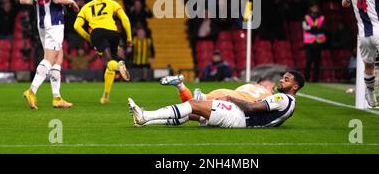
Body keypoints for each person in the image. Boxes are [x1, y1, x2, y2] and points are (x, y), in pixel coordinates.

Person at [127, 70, 304, 128]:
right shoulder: (291, 104)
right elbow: (274, 120)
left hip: (240, 117)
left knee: (193, 104)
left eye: (286, 79)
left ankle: (145, 115)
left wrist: (230, 98)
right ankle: (145, 121)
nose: (281, 80)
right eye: (283, 77)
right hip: (242, 120)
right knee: (192, 113)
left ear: (295, 87)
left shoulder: (282, 98)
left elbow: (250, 107)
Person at [20, 0, 79, 110]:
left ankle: (57, 97)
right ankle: (31, 90)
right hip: (54, 21)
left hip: (41, 22)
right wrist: (72, 1)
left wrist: (39, 2)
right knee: (50, 58)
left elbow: (23, 0)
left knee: (58, 57)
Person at [73, 0, 133, 104]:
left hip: (98, 33)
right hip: (114, 33)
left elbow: (76, 26)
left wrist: (89, 38)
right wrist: (129, 38)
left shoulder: (87, 6)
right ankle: (105, 96)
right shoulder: (112, 3)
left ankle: (119, 66)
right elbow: (125, 19)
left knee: (108, 62)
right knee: (110, 64)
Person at [160, 74, 275, 103]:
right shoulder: (269, 96)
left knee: (191, 108)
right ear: (267, 85)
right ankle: (201, 97)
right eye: (273, 87)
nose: (274, 90)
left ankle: (180, 85)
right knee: (193, 109)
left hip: (224, 92)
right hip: (229, 99)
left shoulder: (249, 85)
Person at [302, 3, 326, 82]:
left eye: (316, 7)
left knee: (317, 61)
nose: (315, 9)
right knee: (309, 61)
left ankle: (315, 79)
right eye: (314, 7)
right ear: (311, 8)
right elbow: (305, 28)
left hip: (318, 42)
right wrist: (315, 28)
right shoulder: (306, 17)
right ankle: (306, 78)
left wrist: (312, 28)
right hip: (309, 43)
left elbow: (323, 28)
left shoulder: (322, 18)